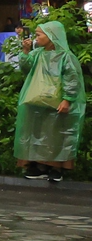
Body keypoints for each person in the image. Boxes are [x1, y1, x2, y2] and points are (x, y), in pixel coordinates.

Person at [15, 20, 84, 182]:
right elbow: (26, 68)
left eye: (39, 34)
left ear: (51, 36)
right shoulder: (37, 54)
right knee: (36, 132)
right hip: (35, 101)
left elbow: (72, 80)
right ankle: (38, 166)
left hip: (56, 103)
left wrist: (67, 99)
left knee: (55, 134)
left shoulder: (66, 57)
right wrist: (25, 51)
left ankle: (56, 168)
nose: (36, 38)